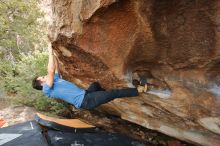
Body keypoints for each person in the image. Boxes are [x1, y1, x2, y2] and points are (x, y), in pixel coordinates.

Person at [32, 46, 147, 110]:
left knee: (96, 85)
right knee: (113, 93)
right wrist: (48, 50)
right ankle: (138, 90)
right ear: (41, 82)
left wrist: (54, 53)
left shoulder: (55, 80)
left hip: (86, 94)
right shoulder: (47, 90)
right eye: (42, 77)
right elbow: (51, 71)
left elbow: (55, 69)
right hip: (86, 101)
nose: (45, 76)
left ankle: (104, 96)